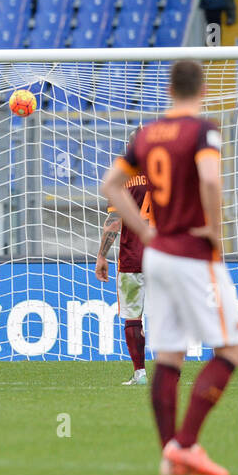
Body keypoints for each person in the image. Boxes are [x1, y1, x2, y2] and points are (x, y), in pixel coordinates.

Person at [100, 60, 238, 475]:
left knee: (168, 354)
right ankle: (186, 444)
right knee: (230, 350)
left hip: (156, 253)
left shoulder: (146, 135)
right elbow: (211, 180)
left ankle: (170, 456)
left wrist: (144, 228)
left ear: (168, 88)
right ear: (201, 90)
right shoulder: (203, 130)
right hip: (192, 252)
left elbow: (110, 184)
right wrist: (215, 231)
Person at [94, 130, 151, 385]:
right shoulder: (169, 178)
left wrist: (101, 256)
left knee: (133, 316)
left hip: (133, 258)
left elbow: (113, 223)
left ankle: (140, 373)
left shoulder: (123, 182)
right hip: (166, 256)